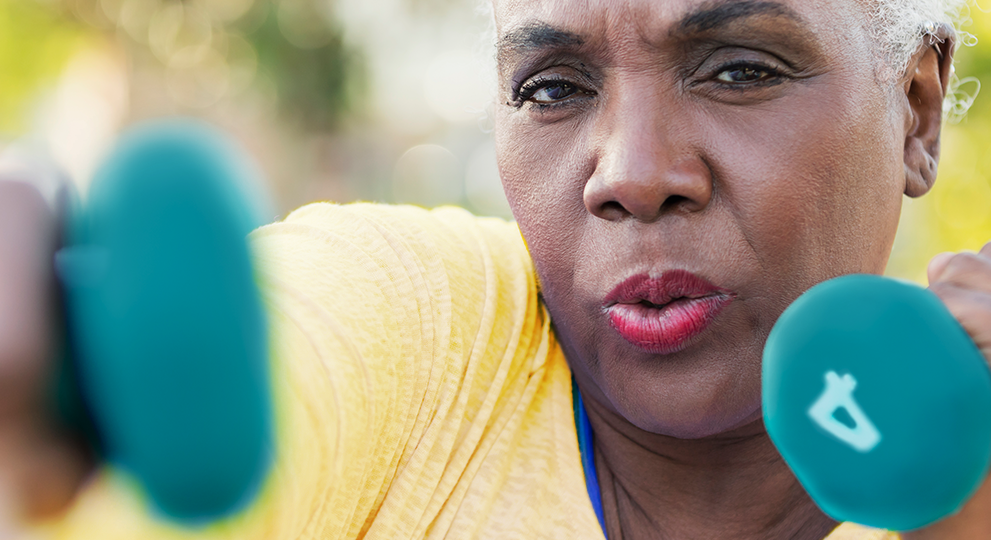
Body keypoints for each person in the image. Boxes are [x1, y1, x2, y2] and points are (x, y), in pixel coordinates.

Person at [1, 0, 990, 538]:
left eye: (740, 68)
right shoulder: (413, 322)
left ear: (913, 109)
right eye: (553, 86)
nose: (632, 176)